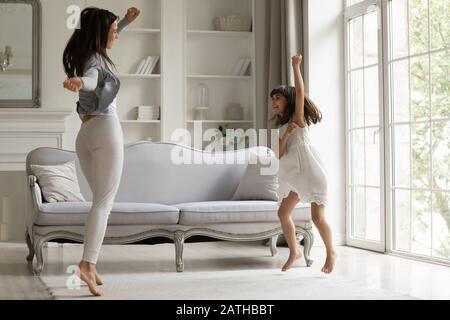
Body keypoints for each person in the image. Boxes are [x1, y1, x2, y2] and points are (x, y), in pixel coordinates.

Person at [62, 6, 140, 296]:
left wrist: (126, 21)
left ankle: (91, 266)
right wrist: (82, 83)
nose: (117, 35)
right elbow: (93, 79)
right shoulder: (95, 64)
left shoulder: (87, 54)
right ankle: (86, 264)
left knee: (99, 203)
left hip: (85, 134)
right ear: (100, 33)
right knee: (103, 204)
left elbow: (102, 42)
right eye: (115, 31)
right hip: (106, 130)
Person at [272, 54, 336, 274]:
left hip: (310, 172)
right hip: (295, 177)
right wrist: (286, 135)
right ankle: (294, 252)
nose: (274, 102)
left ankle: (330, 252)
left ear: (287, 101)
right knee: (283, 213)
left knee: (317, 218)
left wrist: (295, 67)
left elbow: (300, 92)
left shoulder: (298, 119)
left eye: (277, 98)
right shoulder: (282, 129)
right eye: (272, 99)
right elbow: (278, 155)